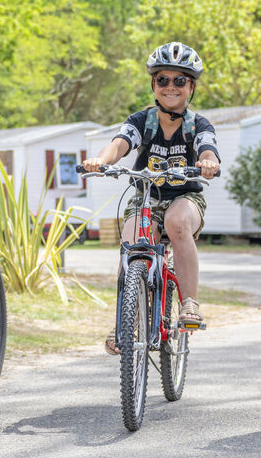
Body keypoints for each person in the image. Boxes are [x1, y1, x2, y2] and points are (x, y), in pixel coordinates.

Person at [82, 42, 220, 355]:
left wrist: (209, 162)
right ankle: (125, 320)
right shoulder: (142, 122)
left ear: (191, 86)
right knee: (131, 242)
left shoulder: (197, 124)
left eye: (179, 81)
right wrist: (101, 161)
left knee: (176, 222)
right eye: (163, 80)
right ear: (153, 84)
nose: (171, 87)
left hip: (186, 198)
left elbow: (207, 148)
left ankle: (190, 303)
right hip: (145, 195)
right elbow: (119, 144)